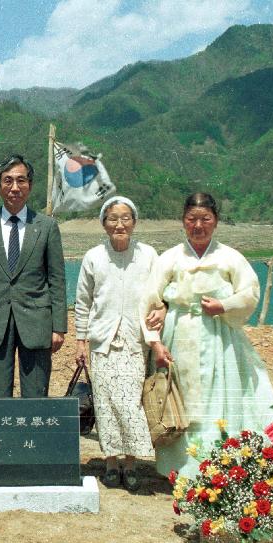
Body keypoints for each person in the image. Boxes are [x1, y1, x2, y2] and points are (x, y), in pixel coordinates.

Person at [145, 192, 273, 479]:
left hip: (218, 336)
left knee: (219, 395)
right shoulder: (169, 258)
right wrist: (155, 341)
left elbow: (250, 292)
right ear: (183, 221)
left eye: (205, 219)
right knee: (181, 396)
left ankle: (219, 465)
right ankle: (180, 468)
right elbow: (148, 300)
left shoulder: (230, 257)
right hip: (178, 334)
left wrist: (224, 305)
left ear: (215, 221)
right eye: (191, 219)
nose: (198, 226)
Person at [74, 196, 160, 492]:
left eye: (125, 218)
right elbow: (83, 302)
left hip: (136, 342)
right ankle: (111, 463)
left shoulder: (148, 255)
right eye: (113, 218)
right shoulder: (93, 257)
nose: (119, 224)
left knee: (131, 404)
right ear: (103, 223)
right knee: (107, 404)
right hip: (102, 342)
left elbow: (161, 295)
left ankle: (131, 463)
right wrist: (80, 340)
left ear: (134, 222)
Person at [0, 154, 67, 398]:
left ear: (30, 186)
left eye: (21, 181)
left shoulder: (46, 226)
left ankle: (32, 438)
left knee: (36, 394)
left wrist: (59, 327)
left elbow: (56, 279)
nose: (15, 187)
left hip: (36, 322)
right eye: (8, 181)